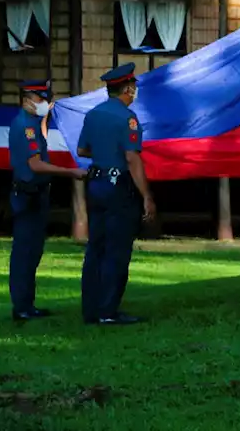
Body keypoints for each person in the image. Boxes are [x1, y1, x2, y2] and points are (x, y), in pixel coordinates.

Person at [78, 63, 155, 325]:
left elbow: (82, 151)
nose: (133, 93)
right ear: (127, 89)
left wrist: (104, 152)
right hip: (118, 186)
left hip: (96, 183)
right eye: (132, 88)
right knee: (117, 249)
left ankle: (90, 309)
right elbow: (132, 158)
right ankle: (108, 310)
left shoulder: (93, 115)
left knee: (95, 248)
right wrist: (146, 195)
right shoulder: (127, 118)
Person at [8, 79, 87, 321]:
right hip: (28, 195)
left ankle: (27, 305)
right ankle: (22, 307)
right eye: (40, 99)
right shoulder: (24, 126)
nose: (44, 103)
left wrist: (45, 117)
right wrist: (70, 172)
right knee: (25, 252)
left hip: (35, 194)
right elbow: (35, 163)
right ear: (27, 99)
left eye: (45, 99)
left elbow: (40, 142)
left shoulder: (32, 122)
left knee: (33, 252)